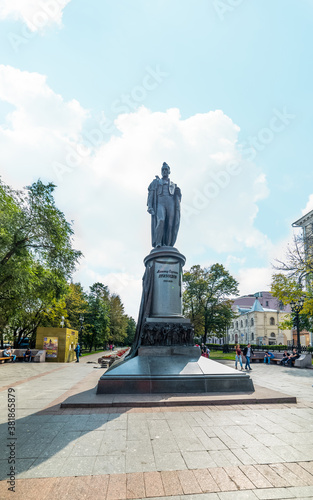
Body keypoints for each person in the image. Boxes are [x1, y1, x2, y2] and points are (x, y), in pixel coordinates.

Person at [147, 162, 181, 247]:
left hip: (171, 204)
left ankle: (168, 244)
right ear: (161, 172)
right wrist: (150, 206)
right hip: (160, 203)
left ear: (169, 172)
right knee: (161, 220)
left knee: (170, 224)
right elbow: (151, 194)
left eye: (166, 169)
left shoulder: (173, 185)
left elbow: (178, 198)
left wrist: (179, 194)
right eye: (163, 170)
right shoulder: (156, 182)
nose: (164, 171)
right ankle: (158, 242)